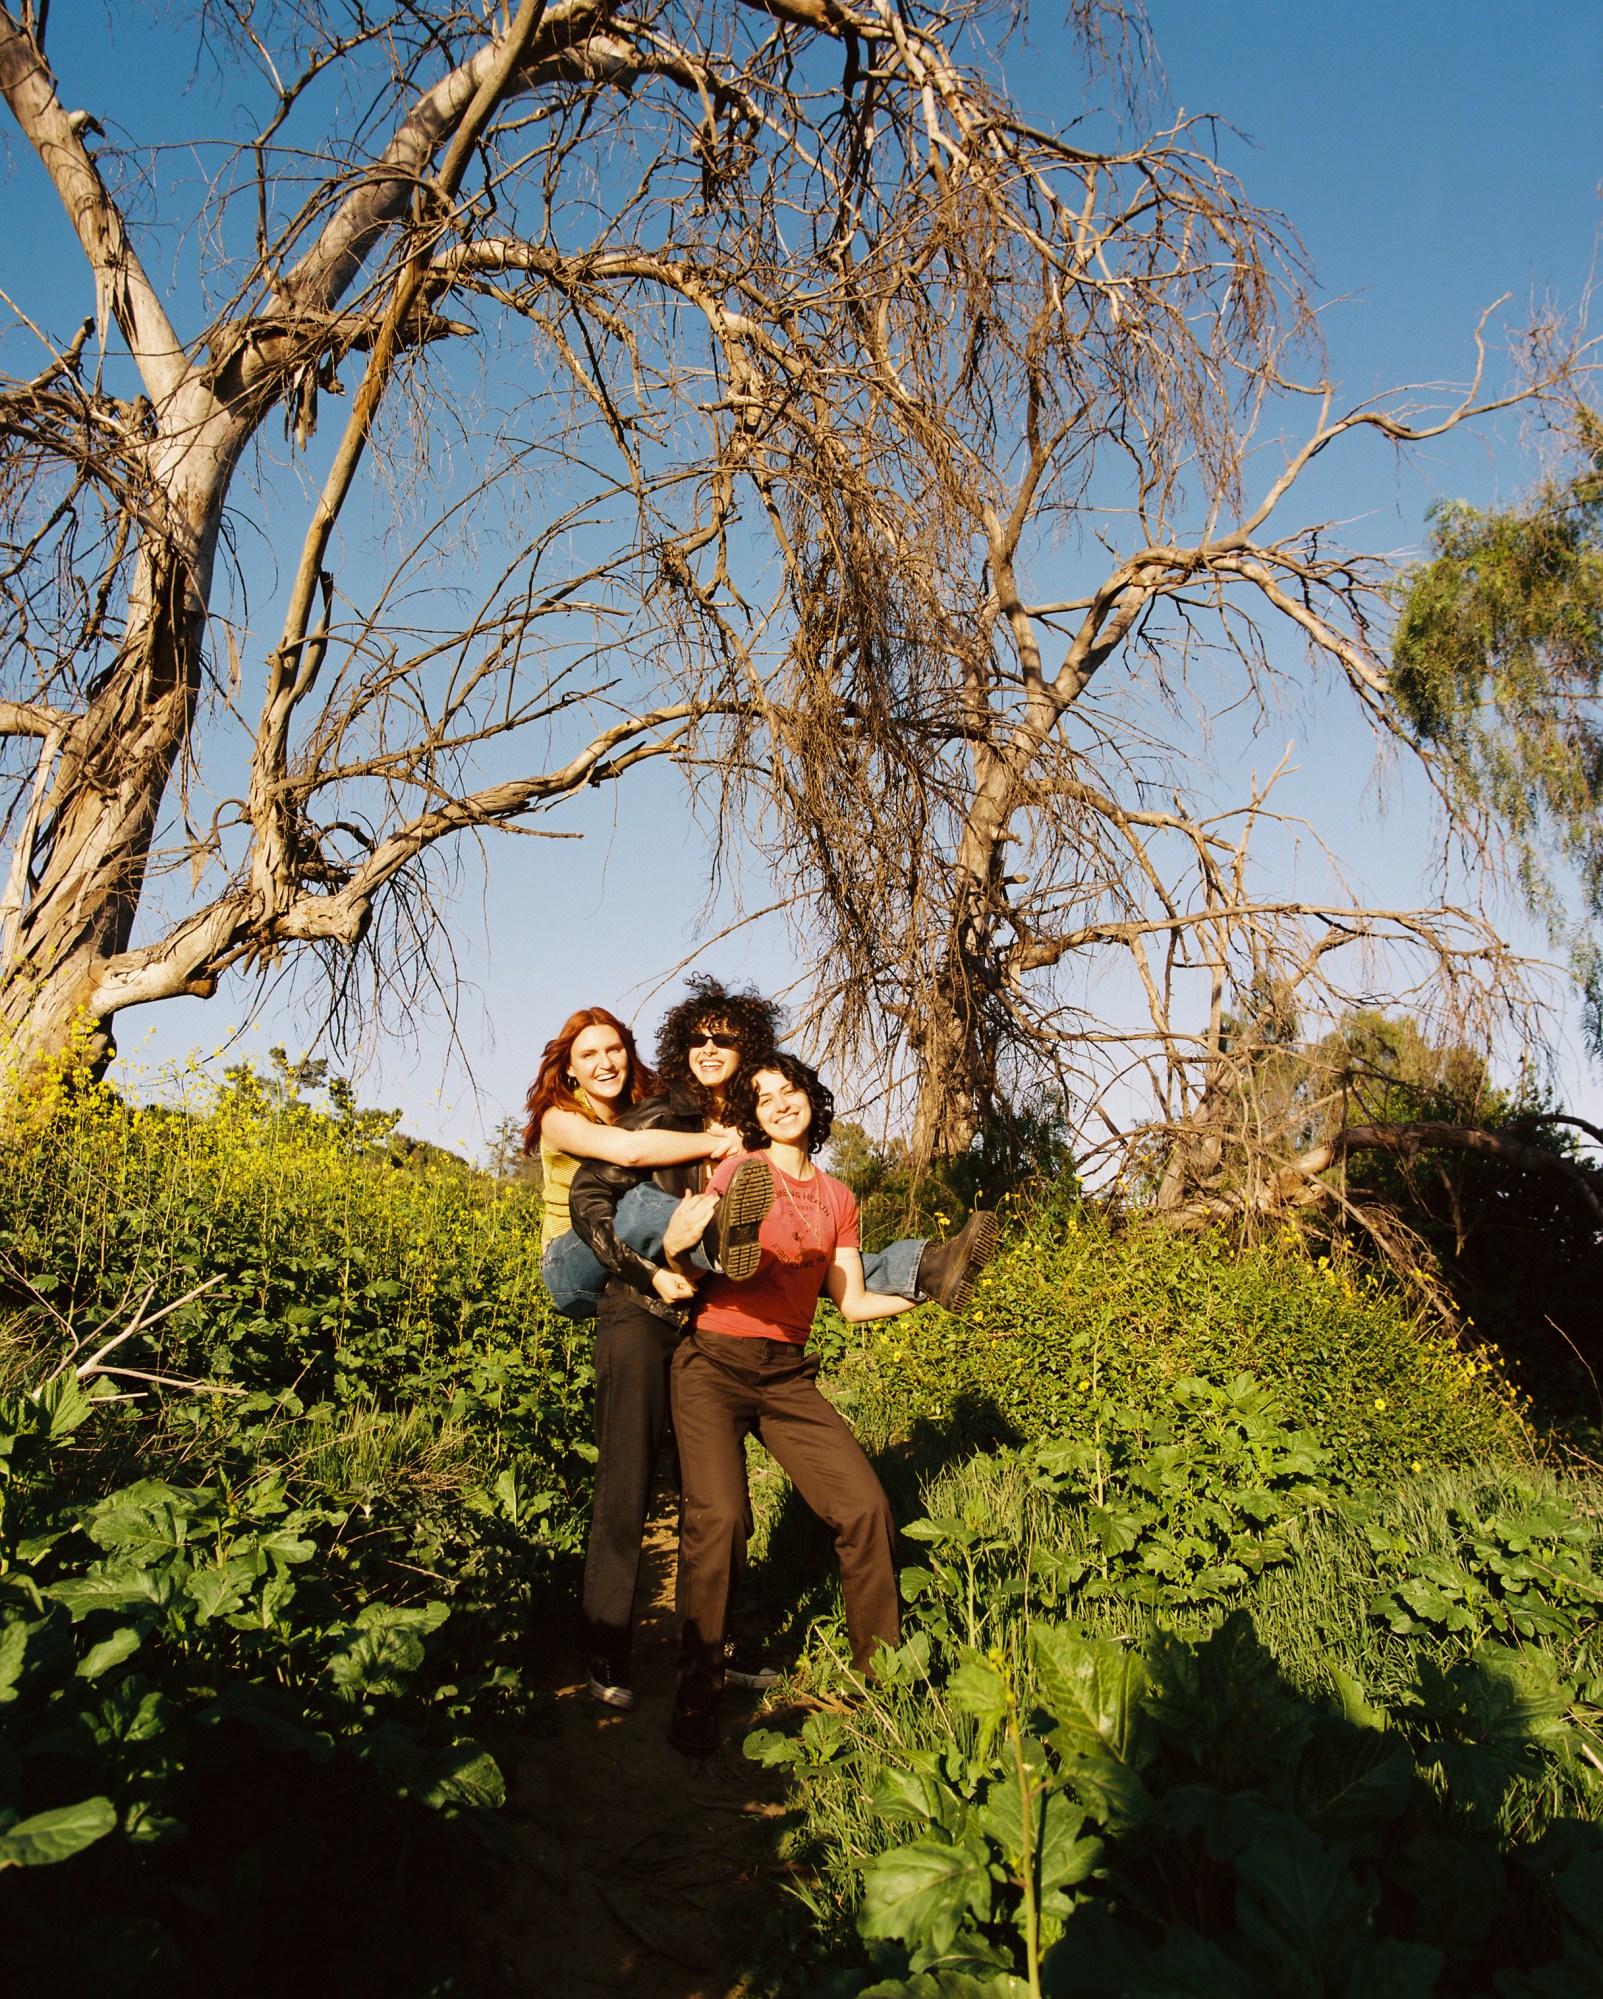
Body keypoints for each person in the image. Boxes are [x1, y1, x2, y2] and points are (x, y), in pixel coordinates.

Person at [565, 976, 999, 1711]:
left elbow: (837, 1280)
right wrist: (653, 1266)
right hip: (646, 1306)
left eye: (725, 1039)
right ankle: (612, 1648)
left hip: (743, 1328)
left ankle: (925, 1265)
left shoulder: (782, 1153)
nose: (709, 1049)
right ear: (680, 1048)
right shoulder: (669, 1116)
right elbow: (594, 1198)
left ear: (752, 1054)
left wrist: (909, 1296)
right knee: (641, 1484)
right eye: (697, 1038)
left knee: (778, 1502)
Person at [662, 1052, 925, 1757]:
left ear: (811, 1097)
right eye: (764, 1095)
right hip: (711, 1361)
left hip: (785, 1375)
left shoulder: (839, 1198)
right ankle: (698, 1692)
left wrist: (925, 1294)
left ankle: (882, 1678)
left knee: (863, 1507)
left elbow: (853, 1301)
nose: (780, 1101)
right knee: (718, 1517)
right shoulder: (740, 1170)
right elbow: (683, 1267)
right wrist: (683, 1246)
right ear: (752, 1114)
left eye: (790, 1089)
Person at [522, 1006, 749, 1319]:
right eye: (588, 1055)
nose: (605, 1064)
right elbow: (630, 1150)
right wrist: (721, 1142)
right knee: (635, 1200)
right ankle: (717, 1229)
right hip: (569, 1263)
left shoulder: (645, 1104)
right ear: (569, 1068)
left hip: (624, 1243)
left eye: (614, 1050)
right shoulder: (560, 1118)